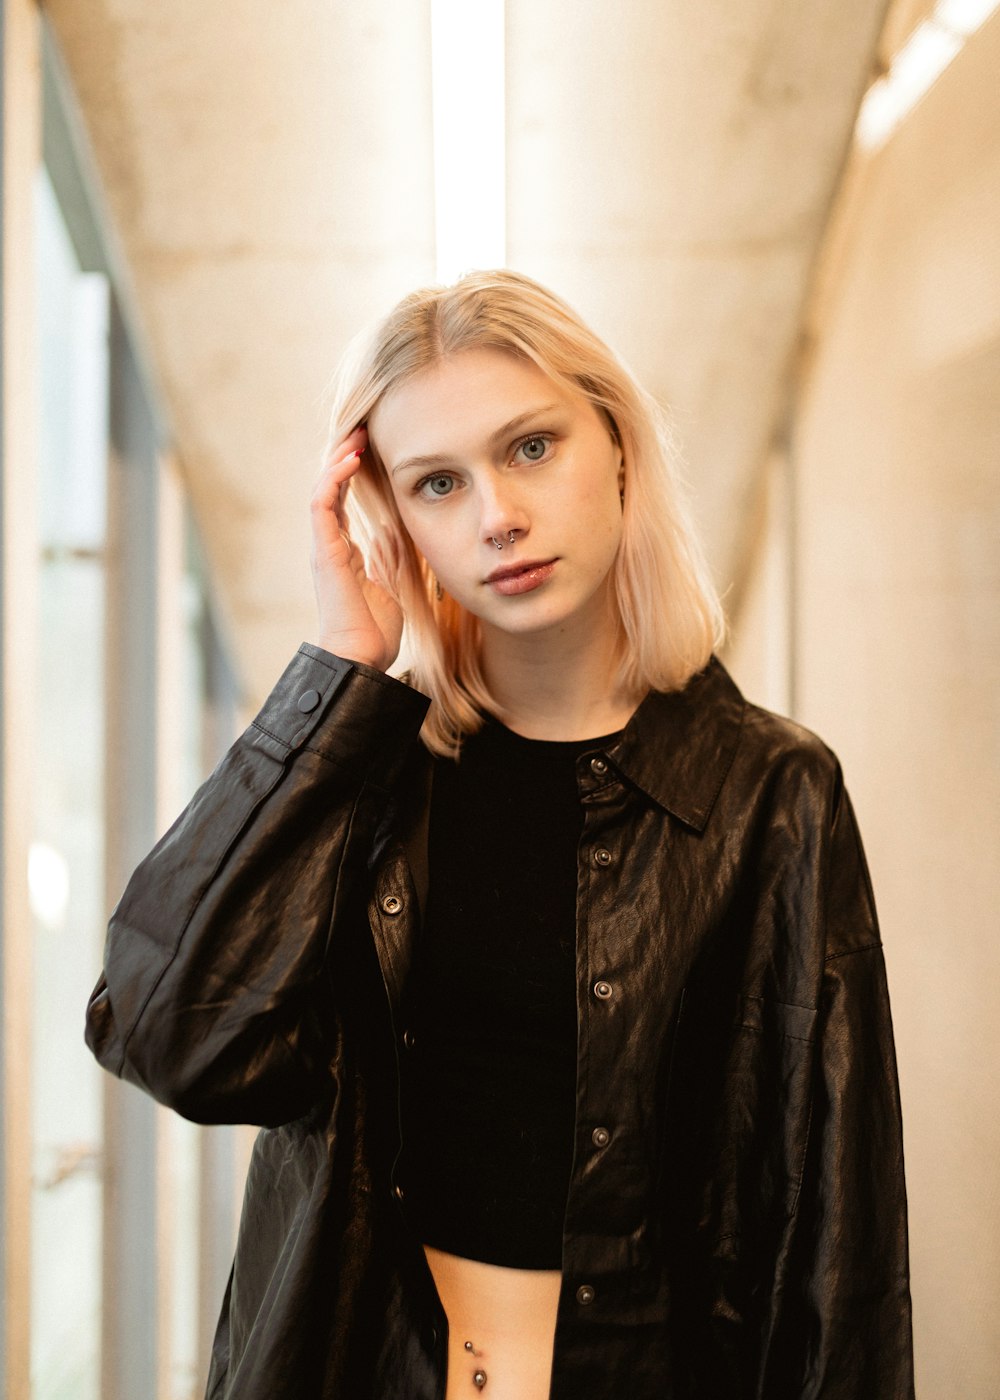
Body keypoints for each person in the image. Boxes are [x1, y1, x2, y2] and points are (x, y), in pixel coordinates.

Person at [86, 270, 914, 1399]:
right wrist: (336, 674)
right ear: (398, 520)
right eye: (437, 481)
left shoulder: (771, 794)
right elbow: (165, 1031)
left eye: (530, 448)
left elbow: (837, 1228)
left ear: (616, 445)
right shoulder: (364, 775)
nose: (496, 514)